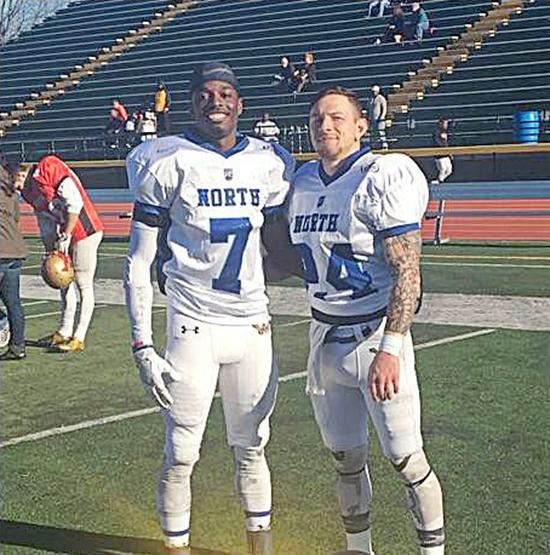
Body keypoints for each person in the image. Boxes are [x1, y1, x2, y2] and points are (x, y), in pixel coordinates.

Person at [124, 61, 295, 555]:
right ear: (190, 103)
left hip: (251, 326)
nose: (214, 101)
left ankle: (259, 547)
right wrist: (141, 343)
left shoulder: (268, 163)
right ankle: (175, 547)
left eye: (225, 93)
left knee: (253, 447)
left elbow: (291, 237)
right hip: (192, 323)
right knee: (181, 452)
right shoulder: (167, 159)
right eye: (204, 93)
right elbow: (138, 261)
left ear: (240, 104)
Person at [287, 86, 445, 555]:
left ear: (361, 126)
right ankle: (359, 549)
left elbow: (408, 273)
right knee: (345, 461)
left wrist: (391, 349)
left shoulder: (380, 175)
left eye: (337, 117)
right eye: (317, 118)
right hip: (325, 339)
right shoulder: (302, 182)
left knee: (406, 460)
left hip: (374, 337)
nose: (325, 125)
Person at [16, 155, 104, 352]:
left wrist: (67, 234)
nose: (15, 187)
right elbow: (44, 219)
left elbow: (75, 202)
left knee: (83, 283)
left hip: (85, 231)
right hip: (66, 233)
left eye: (15, 179)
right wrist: (50, 248)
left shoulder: (48, 167)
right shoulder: (28, 192)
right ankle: (64, 331)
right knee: (64, 283)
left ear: (21, 171)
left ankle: (79, 336)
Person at [0, 156, 28, 361]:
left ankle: (3, 328)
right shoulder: (11, 194)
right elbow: (16, 219)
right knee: (13, 302)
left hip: (2, 250)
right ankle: (18, 346)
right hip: (15, 250)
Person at [432, 118, 453, 184]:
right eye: (444, 123)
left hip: (446, 155)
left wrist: (450, 153)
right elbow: (437, 143)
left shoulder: (446, 132)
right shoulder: (436, 132)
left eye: (446, 123)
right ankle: (439, 182)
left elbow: (447, 144)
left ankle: (439, 180)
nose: (445, 125)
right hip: (439, 156)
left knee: (449, 171)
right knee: (443, 169)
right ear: (440, 123)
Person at [368, 84, 388, 150]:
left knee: (381, 131)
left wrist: (382, 116)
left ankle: (384, 144)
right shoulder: (371, 99)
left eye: (374, 91)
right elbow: (369, 109)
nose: (373, 93)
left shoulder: (381, 98)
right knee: (373, 132)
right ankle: (373, 145)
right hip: (373, 119)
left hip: (379, 119)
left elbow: (384, 108)